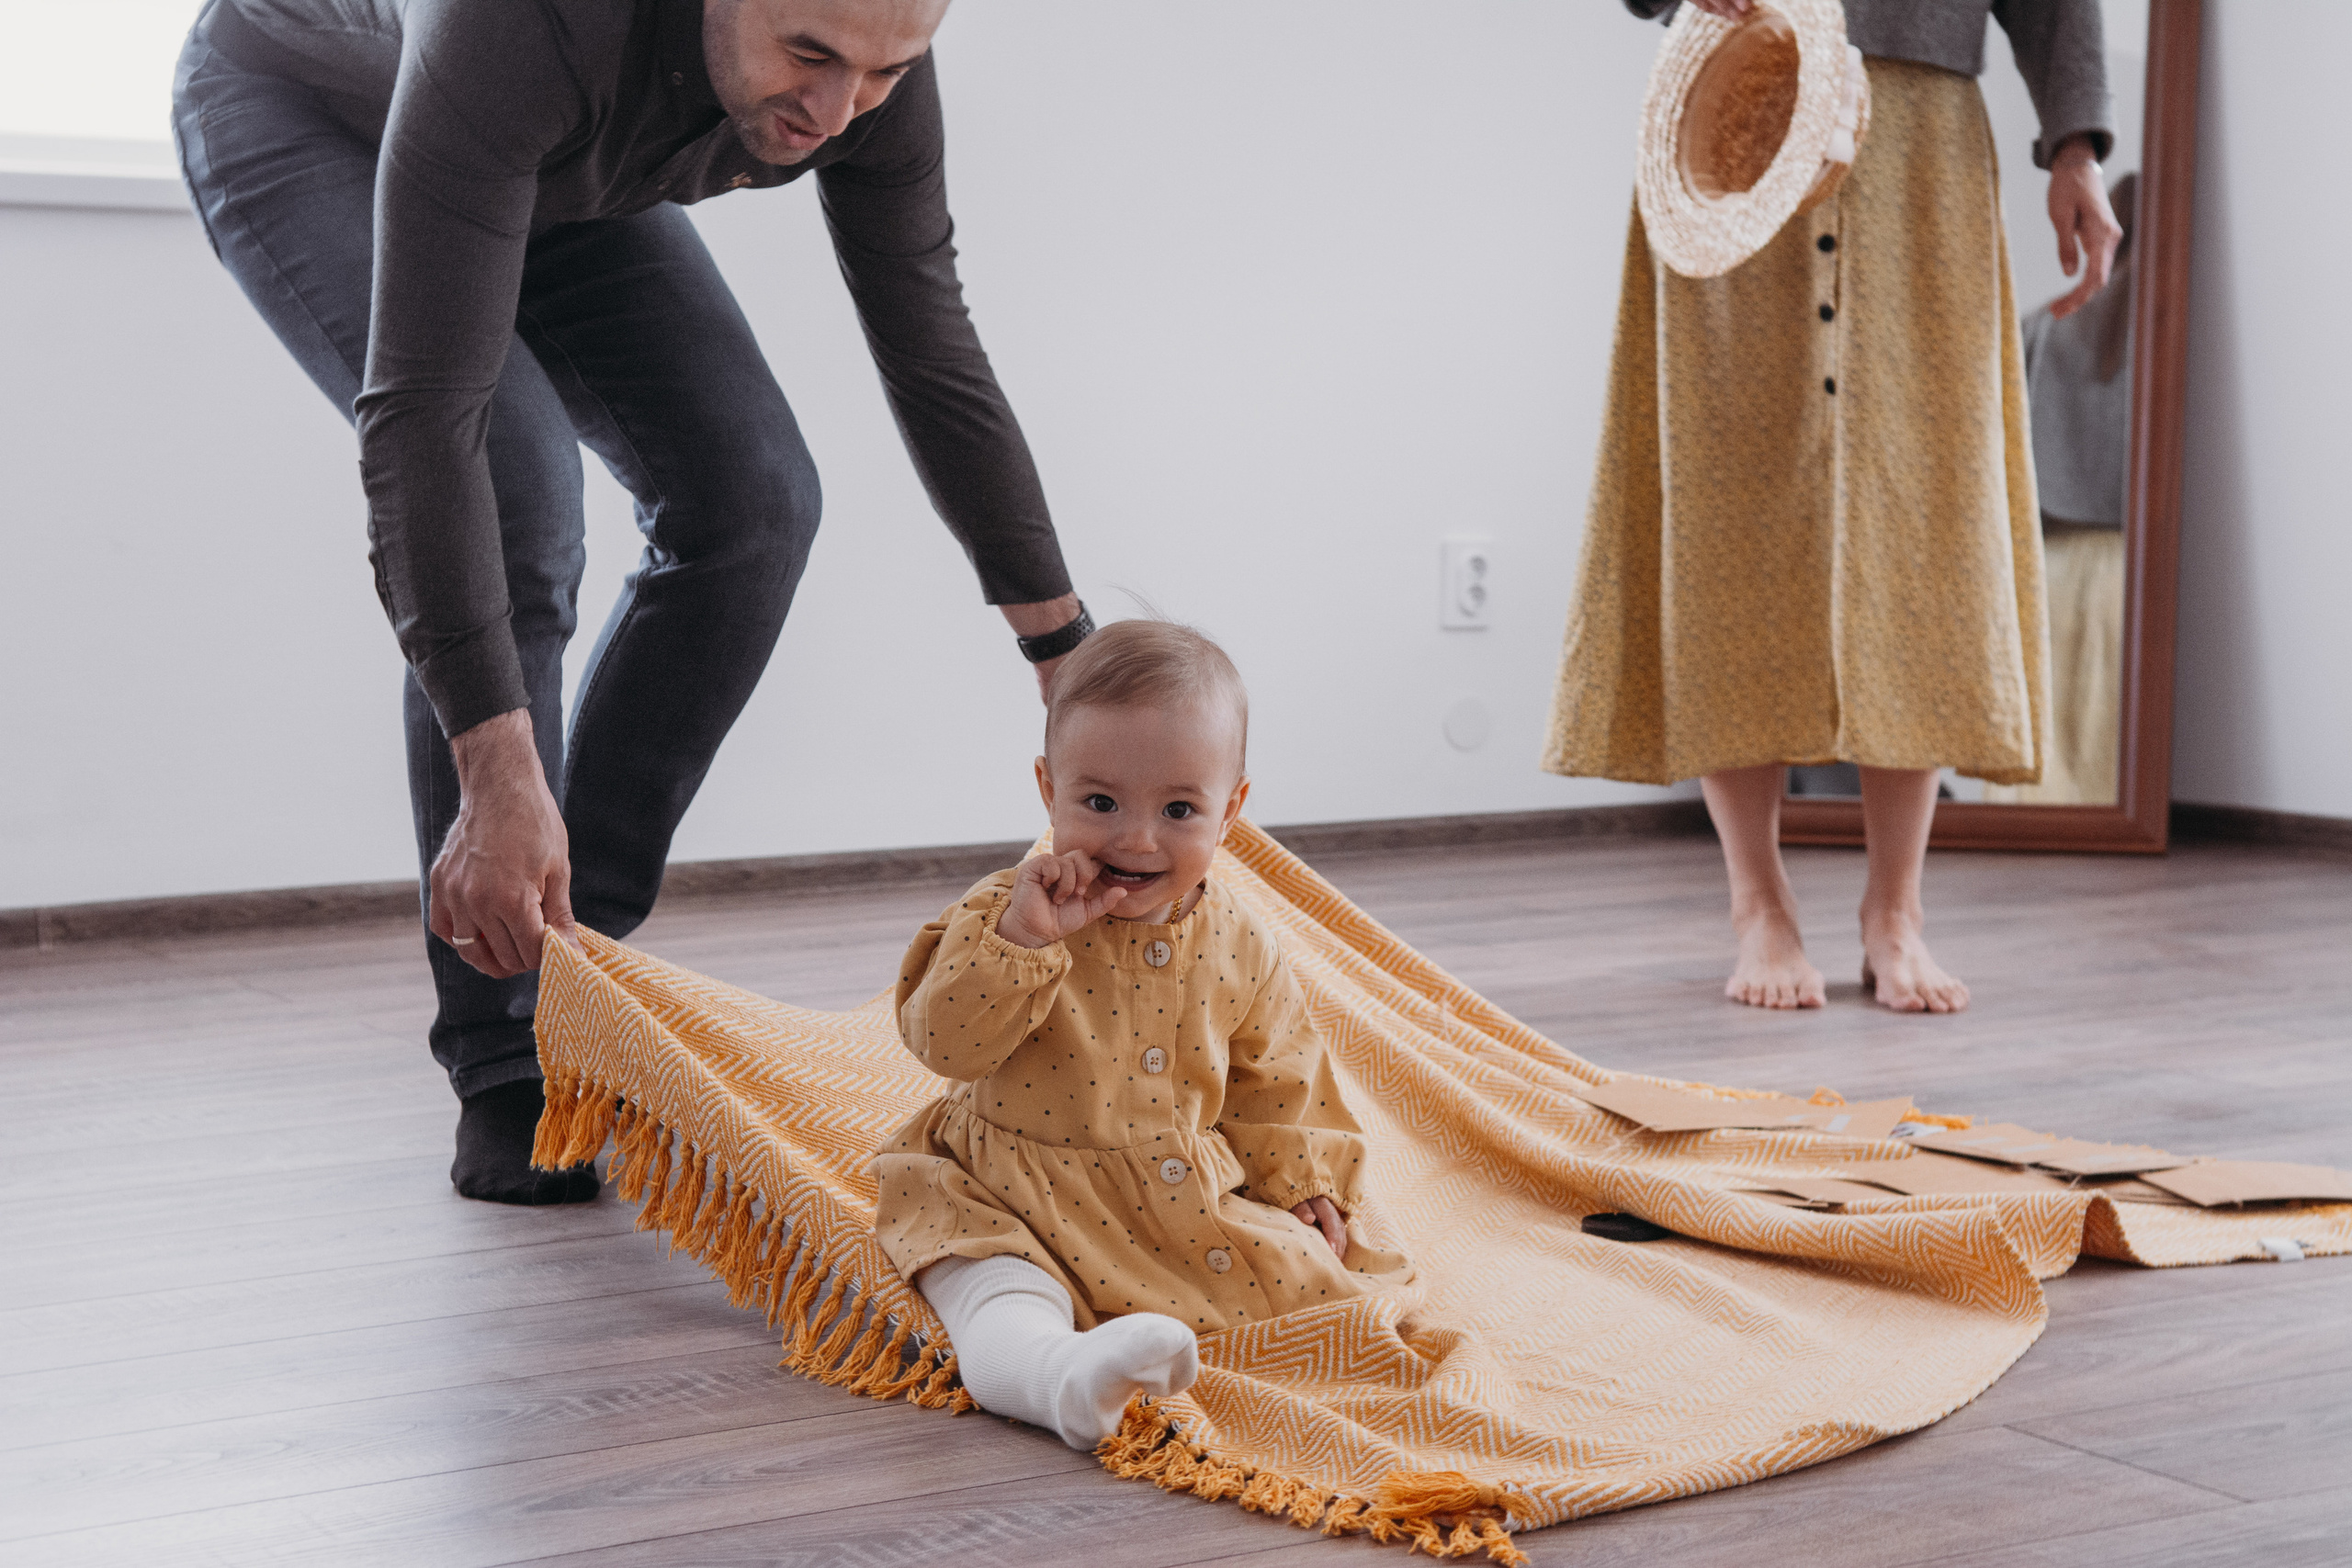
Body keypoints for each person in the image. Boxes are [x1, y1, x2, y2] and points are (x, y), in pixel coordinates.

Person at [172, 0, 1093, 1201]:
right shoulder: (530, 25)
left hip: (547, 159)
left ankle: (567, 969)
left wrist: (1063, 650)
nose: (833, 112)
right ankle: (508, 1052)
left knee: (755, 496)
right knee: (514, 483)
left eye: (881, 73)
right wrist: (500, 773)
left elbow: (930, 345)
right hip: (309, 108)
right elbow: (424, 426)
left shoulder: (868, 70)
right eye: (807, 57)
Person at [1544, 0, 2122, 1012]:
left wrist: (2074, 148)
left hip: (1923, 136)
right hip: (1739, 101)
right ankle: (1755, 902)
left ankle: (1895, 911)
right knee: (1726, 496)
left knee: (1927, 514)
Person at [870, 620, 1409, 1450]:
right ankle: (1058, 1375)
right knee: (987, 1286)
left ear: (1230, 810)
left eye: (1179, 808)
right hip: (1005, 1188)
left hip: (1169, 1201)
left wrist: (1305, 1178)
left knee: (1324, 1283)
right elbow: (944, 1042)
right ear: (1048, 788)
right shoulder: (1008, 912)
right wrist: (1022, 941)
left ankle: (1138, 1346)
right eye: (1100, 802)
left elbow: (1282, 1075)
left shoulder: (1241, 938)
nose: (1136, 837)